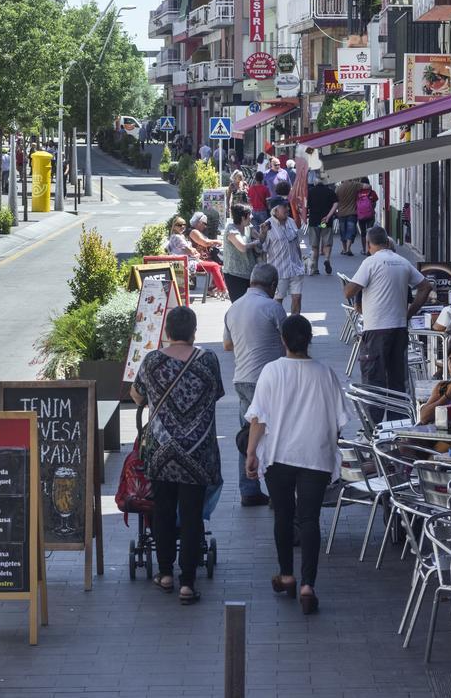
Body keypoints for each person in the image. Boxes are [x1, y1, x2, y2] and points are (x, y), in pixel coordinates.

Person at [245, 314, 351, 615]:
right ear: (310, 340)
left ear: (283, 341)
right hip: (315, 456)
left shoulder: (271, 371)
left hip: (279, 455)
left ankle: (287, 575)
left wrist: (251, 453)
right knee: (309, 519)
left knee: (283, 516)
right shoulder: (326, 374)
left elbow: (258, 419)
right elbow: (339, 421)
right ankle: (308, 585)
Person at [130, 306, 223, 606]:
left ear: (167, 332)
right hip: (198, 452)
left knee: (163, 510)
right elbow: (216, 394)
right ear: (194, 331)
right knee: (192, 514)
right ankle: (187, 582)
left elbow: (137, 396)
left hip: (161, 450)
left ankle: (166, 573)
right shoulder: (208, 360)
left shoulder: (153, 360)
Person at [344, 226, 432, 402]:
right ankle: (397, 423)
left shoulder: (370, 262)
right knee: (397, 381)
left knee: (374, 380)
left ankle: (375, 425)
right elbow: (426, 287)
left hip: (376, 329)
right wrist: (409, 313)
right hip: (399, 329)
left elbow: (349, 292)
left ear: (368, 244)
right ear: (386, 241)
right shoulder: (402, 261)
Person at [224, 263, 285, 507]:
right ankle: (276, 491)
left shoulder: (233, 308)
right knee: (274, 434)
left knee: (246, 435)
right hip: (269, 380)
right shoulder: (274, 308)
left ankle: (249, 490)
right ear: (273, 286)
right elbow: (288, 340)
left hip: (242, 379)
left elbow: (227, 346)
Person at [258, 199, 304, 315]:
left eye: (287, 206)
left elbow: (297, 244)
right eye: (284, 207)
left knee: (297, 298)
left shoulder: (291, 222)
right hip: (279, 270)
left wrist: (301, 261)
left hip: (295, 268)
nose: (288, 209)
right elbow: (261, 248)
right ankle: (277, 326)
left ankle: (295, 326)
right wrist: (262, 234)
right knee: (277, 301)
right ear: (275, 211)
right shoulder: (267, 226)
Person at [167, 216, 226, 296]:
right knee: (215, 266)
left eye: (184, 224)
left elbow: (190, 250)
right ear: (174, 226)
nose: (182, 226)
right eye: (179, 225)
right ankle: (223, 290)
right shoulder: (177, 237)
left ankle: (218, 289)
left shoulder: (179, 236)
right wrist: (194, 252)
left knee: (216, 266)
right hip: (187, 263)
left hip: (188, 261)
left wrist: (194, 252)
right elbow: (192, 250)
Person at [221, 203, 261, 300]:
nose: (252, 217)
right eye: (250, 215)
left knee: (251, 304)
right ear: (243, 217)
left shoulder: (248, 227)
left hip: (250, 273)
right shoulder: (231, 230)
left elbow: (260, 238)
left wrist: (263, 232)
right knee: (239, 305)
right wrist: (255, 243)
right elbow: (242, 247)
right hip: (235, 274)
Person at [305, 178, 338, 276]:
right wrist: (328, 216)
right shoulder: (330, 192)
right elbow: (336, 204)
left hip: (314, 221)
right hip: (325, 221)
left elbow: (306, 205)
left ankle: (315, 268)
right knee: (327, 242)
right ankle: (327, 259)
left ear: (315, 183)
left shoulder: (310, 192)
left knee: (315, 245)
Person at [333, 178, 361, 256]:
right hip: (352, 213)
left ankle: (344, 249)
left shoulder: (338, 188)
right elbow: (368, 186)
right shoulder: (355, 185)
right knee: (351, 231)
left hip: (341, 213)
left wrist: (335, 212)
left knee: (343, 231)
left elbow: (335, 200)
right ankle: (348, 249)